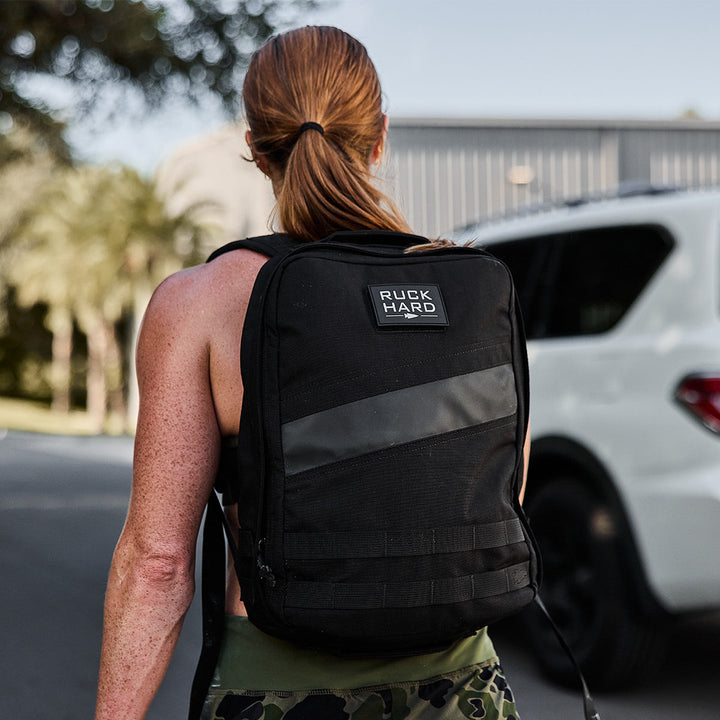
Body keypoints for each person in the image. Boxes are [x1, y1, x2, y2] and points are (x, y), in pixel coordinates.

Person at [95, 25, 528, 720]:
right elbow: (503, 491)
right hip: (465, 688)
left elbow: (158, 563)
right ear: (379, 136)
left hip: (284, 688)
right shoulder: (475, 292)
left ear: (254, 147)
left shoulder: (201, 303)